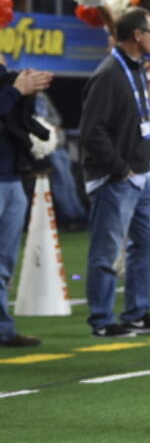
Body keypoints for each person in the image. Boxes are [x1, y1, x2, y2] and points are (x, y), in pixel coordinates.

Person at [82, 7, 150, 338]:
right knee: (106, 251)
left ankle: (136, 312)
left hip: (139, 174)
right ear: (137, 35)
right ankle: (102, 319)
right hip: (116, 178)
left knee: (146, 246)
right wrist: (120, 170)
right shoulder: (109, 73)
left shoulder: (133, 69)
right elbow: (92, 131)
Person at [0, 57, 53, 349]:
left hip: (10, 176)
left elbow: (15, 122)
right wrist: (16, 91)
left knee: (4, 263)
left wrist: (27, 94)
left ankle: (3, 329)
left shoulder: (6, 72)